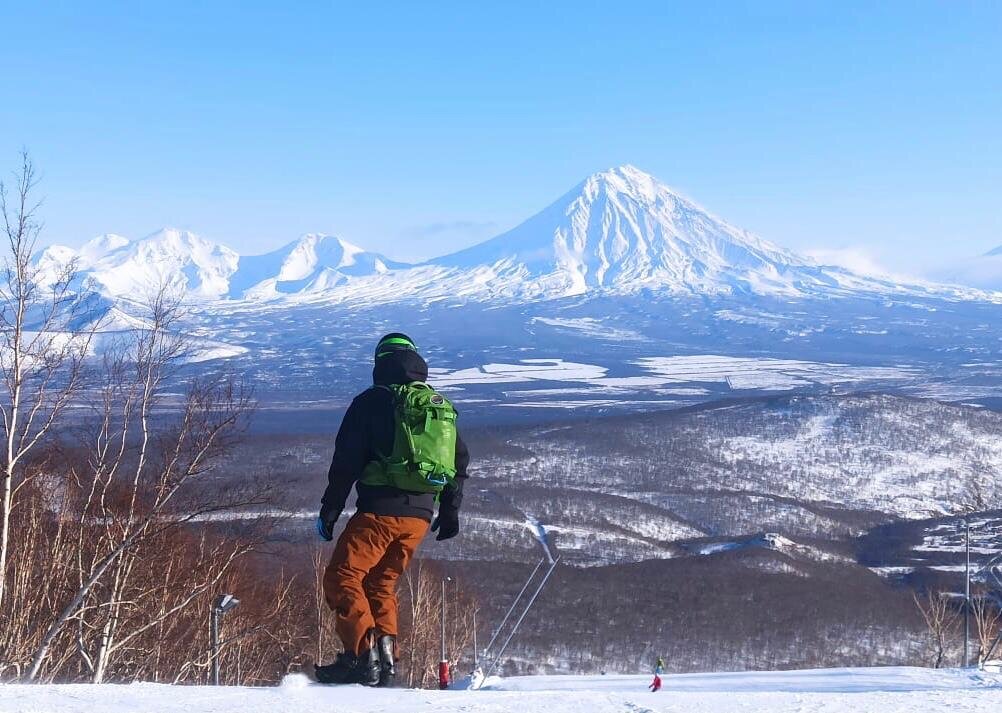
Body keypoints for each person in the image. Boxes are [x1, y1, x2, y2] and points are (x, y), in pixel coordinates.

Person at [313, 333, 470, 686]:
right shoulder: (435, 405)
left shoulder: (373, 402)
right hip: (419, 517)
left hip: (379, 512)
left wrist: (330, 510)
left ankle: (360, 657)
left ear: (379, 362)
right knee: (380, 584)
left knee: (343, 578)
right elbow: (459, 460)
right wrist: (450, 509)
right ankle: (386, 664)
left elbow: (346, 462)